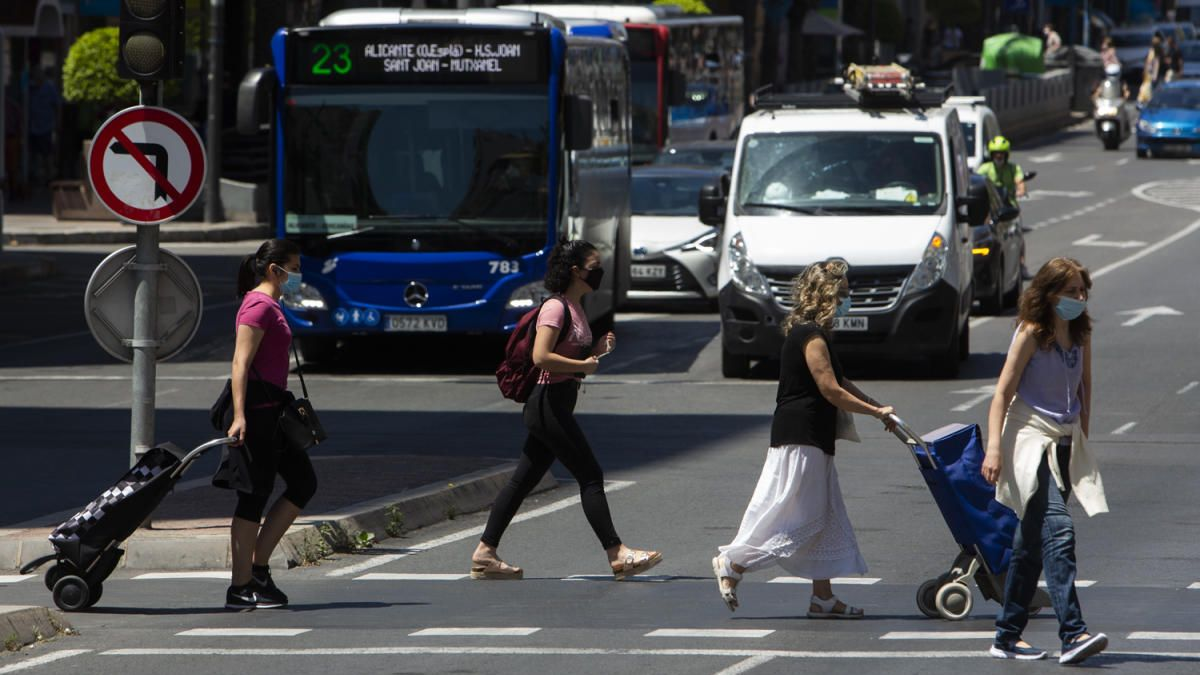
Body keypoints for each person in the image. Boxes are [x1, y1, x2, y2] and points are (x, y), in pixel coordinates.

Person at [711, 259, 896, 617]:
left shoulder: (815, 333)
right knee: (798, 516)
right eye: (842, 294)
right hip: (803, 435)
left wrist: (878, 407)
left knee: (824, 516)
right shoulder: (810, 336)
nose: (848, 300)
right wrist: (874, 413)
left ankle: (822, 597)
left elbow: (839, 382)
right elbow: (830, 389)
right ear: (826, 296)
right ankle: (734, 563)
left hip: (811, 435)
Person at [471, 240, 662, 581]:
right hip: (547, 402)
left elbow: (569, 353)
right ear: (575, 271)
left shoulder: (575, 307)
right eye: (594, 266)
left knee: (522, 480)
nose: (599, 272)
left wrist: (595, 349)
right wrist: (582, 366)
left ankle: (485, 554)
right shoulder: (556, 308)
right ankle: (618, 554)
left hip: (556, 401)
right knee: (590, 476)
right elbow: (541, 357)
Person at [981, 257, 1108, 664]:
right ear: (1049, 293)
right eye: (1071, 291)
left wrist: (1082, 436)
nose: (1079, 298)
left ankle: (1007, 634)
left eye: (1083, 290)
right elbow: (1002, 392)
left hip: (1064, 440)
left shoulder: (1081, 332)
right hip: (1028, 439)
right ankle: (1073, 633)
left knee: (1029, 545)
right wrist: (994, 448)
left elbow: (1085, 385)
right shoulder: (1031, 333)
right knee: (1058, 530)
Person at [217, 239, 318, 610]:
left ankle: (258, 570)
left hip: (275, 411)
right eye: (294, 267)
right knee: (253, 496)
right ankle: (239, 586)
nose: (298, 274)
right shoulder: (258, 306)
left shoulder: (271, 304)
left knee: (304, 482)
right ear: (276, 269)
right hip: (256, 413)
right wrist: (240, 416)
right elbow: (240, 363)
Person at [977, 136, 1026, 206]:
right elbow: (976, 180)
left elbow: (1019, 181)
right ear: (991, 155)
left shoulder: (1013, 168)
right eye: (996, 154)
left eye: (1001, 154)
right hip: (991, 205)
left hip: (1010, 204)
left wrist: (1021, 190)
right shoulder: (985, 168)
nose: (999, 156)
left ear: (1006, 155)